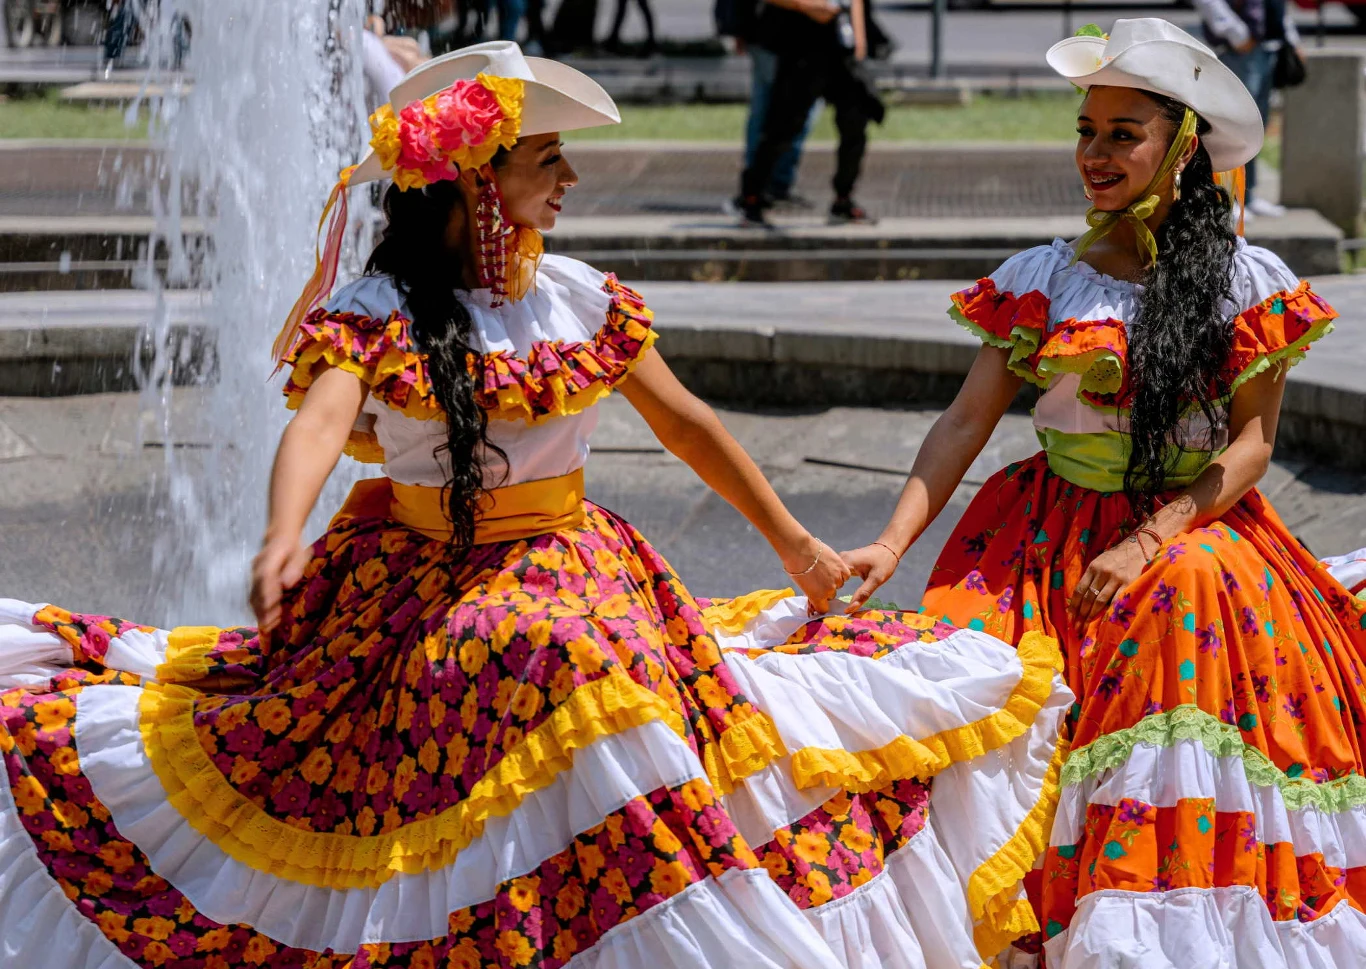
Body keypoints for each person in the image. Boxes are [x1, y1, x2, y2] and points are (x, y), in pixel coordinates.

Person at [0, 41, 1068, 968]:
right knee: (529, 668)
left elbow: (687, 424)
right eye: (546, 158)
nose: (570, 178)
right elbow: (320, 425)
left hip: (569, 556)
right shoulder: (379, 308)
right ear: (478, 178)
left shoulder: (576, 298)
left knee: (581, 665)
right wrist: (284, 534)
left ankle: (657, 910)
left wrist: (795, 545)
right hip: (416, 574)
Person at [841, 19, 1366, 966]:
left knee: (1177, 595)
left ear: (1182, 146)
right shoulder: (1045, 278)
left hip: (1195, 524)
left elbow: (1252, 446)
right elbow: (962, 424)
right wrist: (890, 541)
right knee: (975, 700)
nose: (1095, 153)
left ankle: (1155, 908)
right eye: (1086, 131)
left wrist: (1149, 537)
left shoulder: (1247, 282)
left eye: (1124, 134)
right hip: (1043, 531)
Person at [737, 0, 884, 227]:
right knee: (783, 127)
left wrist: (859, 39)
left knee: (856, 121)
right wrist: (806, 5)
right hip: (800, 47)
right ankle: (752, 198)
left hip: (841, 50)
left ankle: (843, 198)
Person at [1194, 0, 1302, 218]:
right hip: (1238, 52)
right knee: (1232, 127)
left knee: (1256, 127)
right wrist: (1237, 34)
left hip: (1269, 46)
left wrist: (1291, 38)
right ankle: (1228, 197)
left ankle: (1247, 196)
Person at [722, 0, 822, 213]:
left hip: (776, 36)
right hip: (780, 38)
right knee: (790, 113)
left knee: (769, 111)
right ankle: (770, 184)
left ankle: (759, 185)